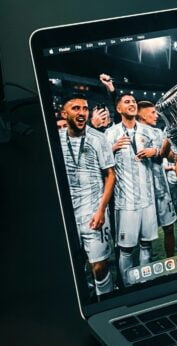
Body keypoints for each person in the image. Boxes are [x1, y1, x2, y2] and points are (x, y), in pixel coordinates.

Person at [59, 94, 116, 295]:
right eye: (76, 108)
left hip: (93, 210)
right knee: (75, 265)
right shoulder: (56, 140)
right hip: (68, 213)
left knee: (100, 267)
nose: (82, 112)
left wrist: (101, 210)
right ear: (64, 113)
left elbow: (110, 175)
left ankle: (107, 301)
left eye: (85, 108)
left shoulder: (98, 139)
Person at [104, 93, 160, 286]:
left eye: (134, 102)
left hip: (147, 200)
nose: (132, 104)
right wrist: (111, 149)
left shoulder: (148, 132)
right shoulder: (110, 134)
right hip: (125, 202)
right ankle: (128, 286)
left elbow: (165, 152)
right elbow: (99, 164)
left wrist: (156, 151)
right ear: (119, 109)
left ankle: (146, 283)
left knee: (147, 245)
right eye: (127, 102)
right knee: (126, 249)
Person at [136, 100, 177, 257]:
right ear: (140, 114)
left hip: (161, 188)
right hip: (143, 192)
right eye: (152, 112)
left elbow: (171, 156)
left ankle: (171, 260)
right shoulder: (134, 131)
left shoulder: (159, 133)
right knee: (145, 236)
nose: (156, 115)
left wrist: (158, 151)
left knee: (169, 227)